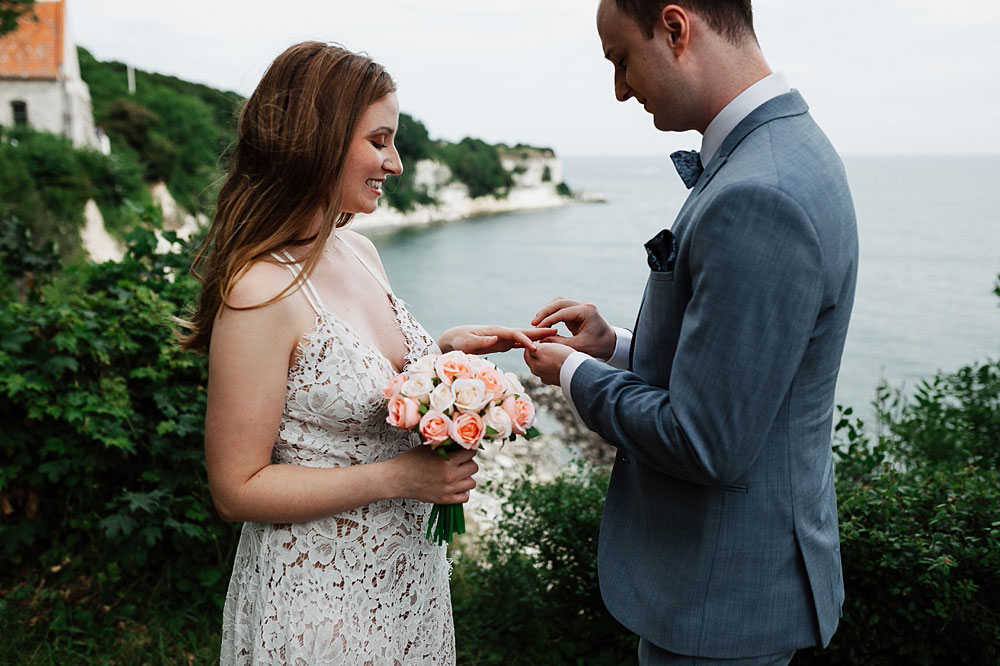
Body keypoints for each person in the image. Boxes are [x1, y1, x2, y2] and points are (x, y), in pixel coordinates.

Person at [179, 41, 550, 664]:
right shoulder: (262, 289)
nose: (396, 163)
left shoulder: (360, 253)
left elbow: (362, 387)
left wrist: (442, 356)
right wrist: (399, 478)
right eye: (380, 141)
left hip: (408, 581)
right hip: (316, 598)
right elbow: (236, 488)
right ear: (319, 139)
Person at [523, 1, 857, 664]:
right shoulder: (783, 149)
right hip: (730, 589)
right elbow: (737, 366)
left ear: (676, 29)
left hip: (723, 603)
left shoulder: (764, 191)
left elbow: (705, 442)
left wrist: (569, 373)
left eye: (621, 58)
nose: (619, 88)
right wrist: (615, 347)